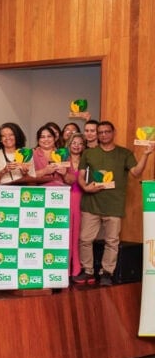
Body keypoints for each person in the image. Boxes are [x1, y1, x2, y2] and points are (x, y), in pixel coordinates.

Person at [74, 120, 153, 285]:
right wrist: (86, 188)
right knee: (85, 240)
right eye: (100, 132)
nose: (103, 135)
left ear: (113, 132)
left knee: (111, 242)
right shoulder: (89, 153)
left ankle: (107, 273)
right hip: (91, 204)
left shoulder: (124, 153)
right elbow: (80, 176)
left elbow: (136, 173)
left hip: (114, 205)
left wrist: (146, 154)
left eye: (107, 132)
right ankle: (87, 271)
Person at [62, 133, 86, 279]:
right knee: (67, 233)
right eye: (74, 143)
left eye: (80, 143)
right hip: (65, 198)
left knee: (78, 235)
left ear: (83, 146)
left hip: (82, 199)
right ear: (69, 144)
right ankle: (65, 267)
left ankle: (77, 267)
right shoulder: (63, 159)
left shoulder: (86, 161)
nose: (77, 146)